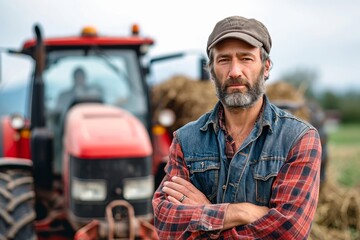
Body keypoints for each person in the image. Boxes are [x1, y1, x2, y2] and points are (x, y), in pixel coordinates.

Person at [152, 16, 322, 239]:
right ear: (211, 70)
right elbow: (166, 223)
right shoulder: (186, 140)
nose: (234, 71)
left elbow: (289, 231)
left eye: (246, 59)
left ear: (266, 67)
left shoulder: (298, 139)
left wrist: (204, 214)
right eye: (224, 60)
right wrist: (242, 212)